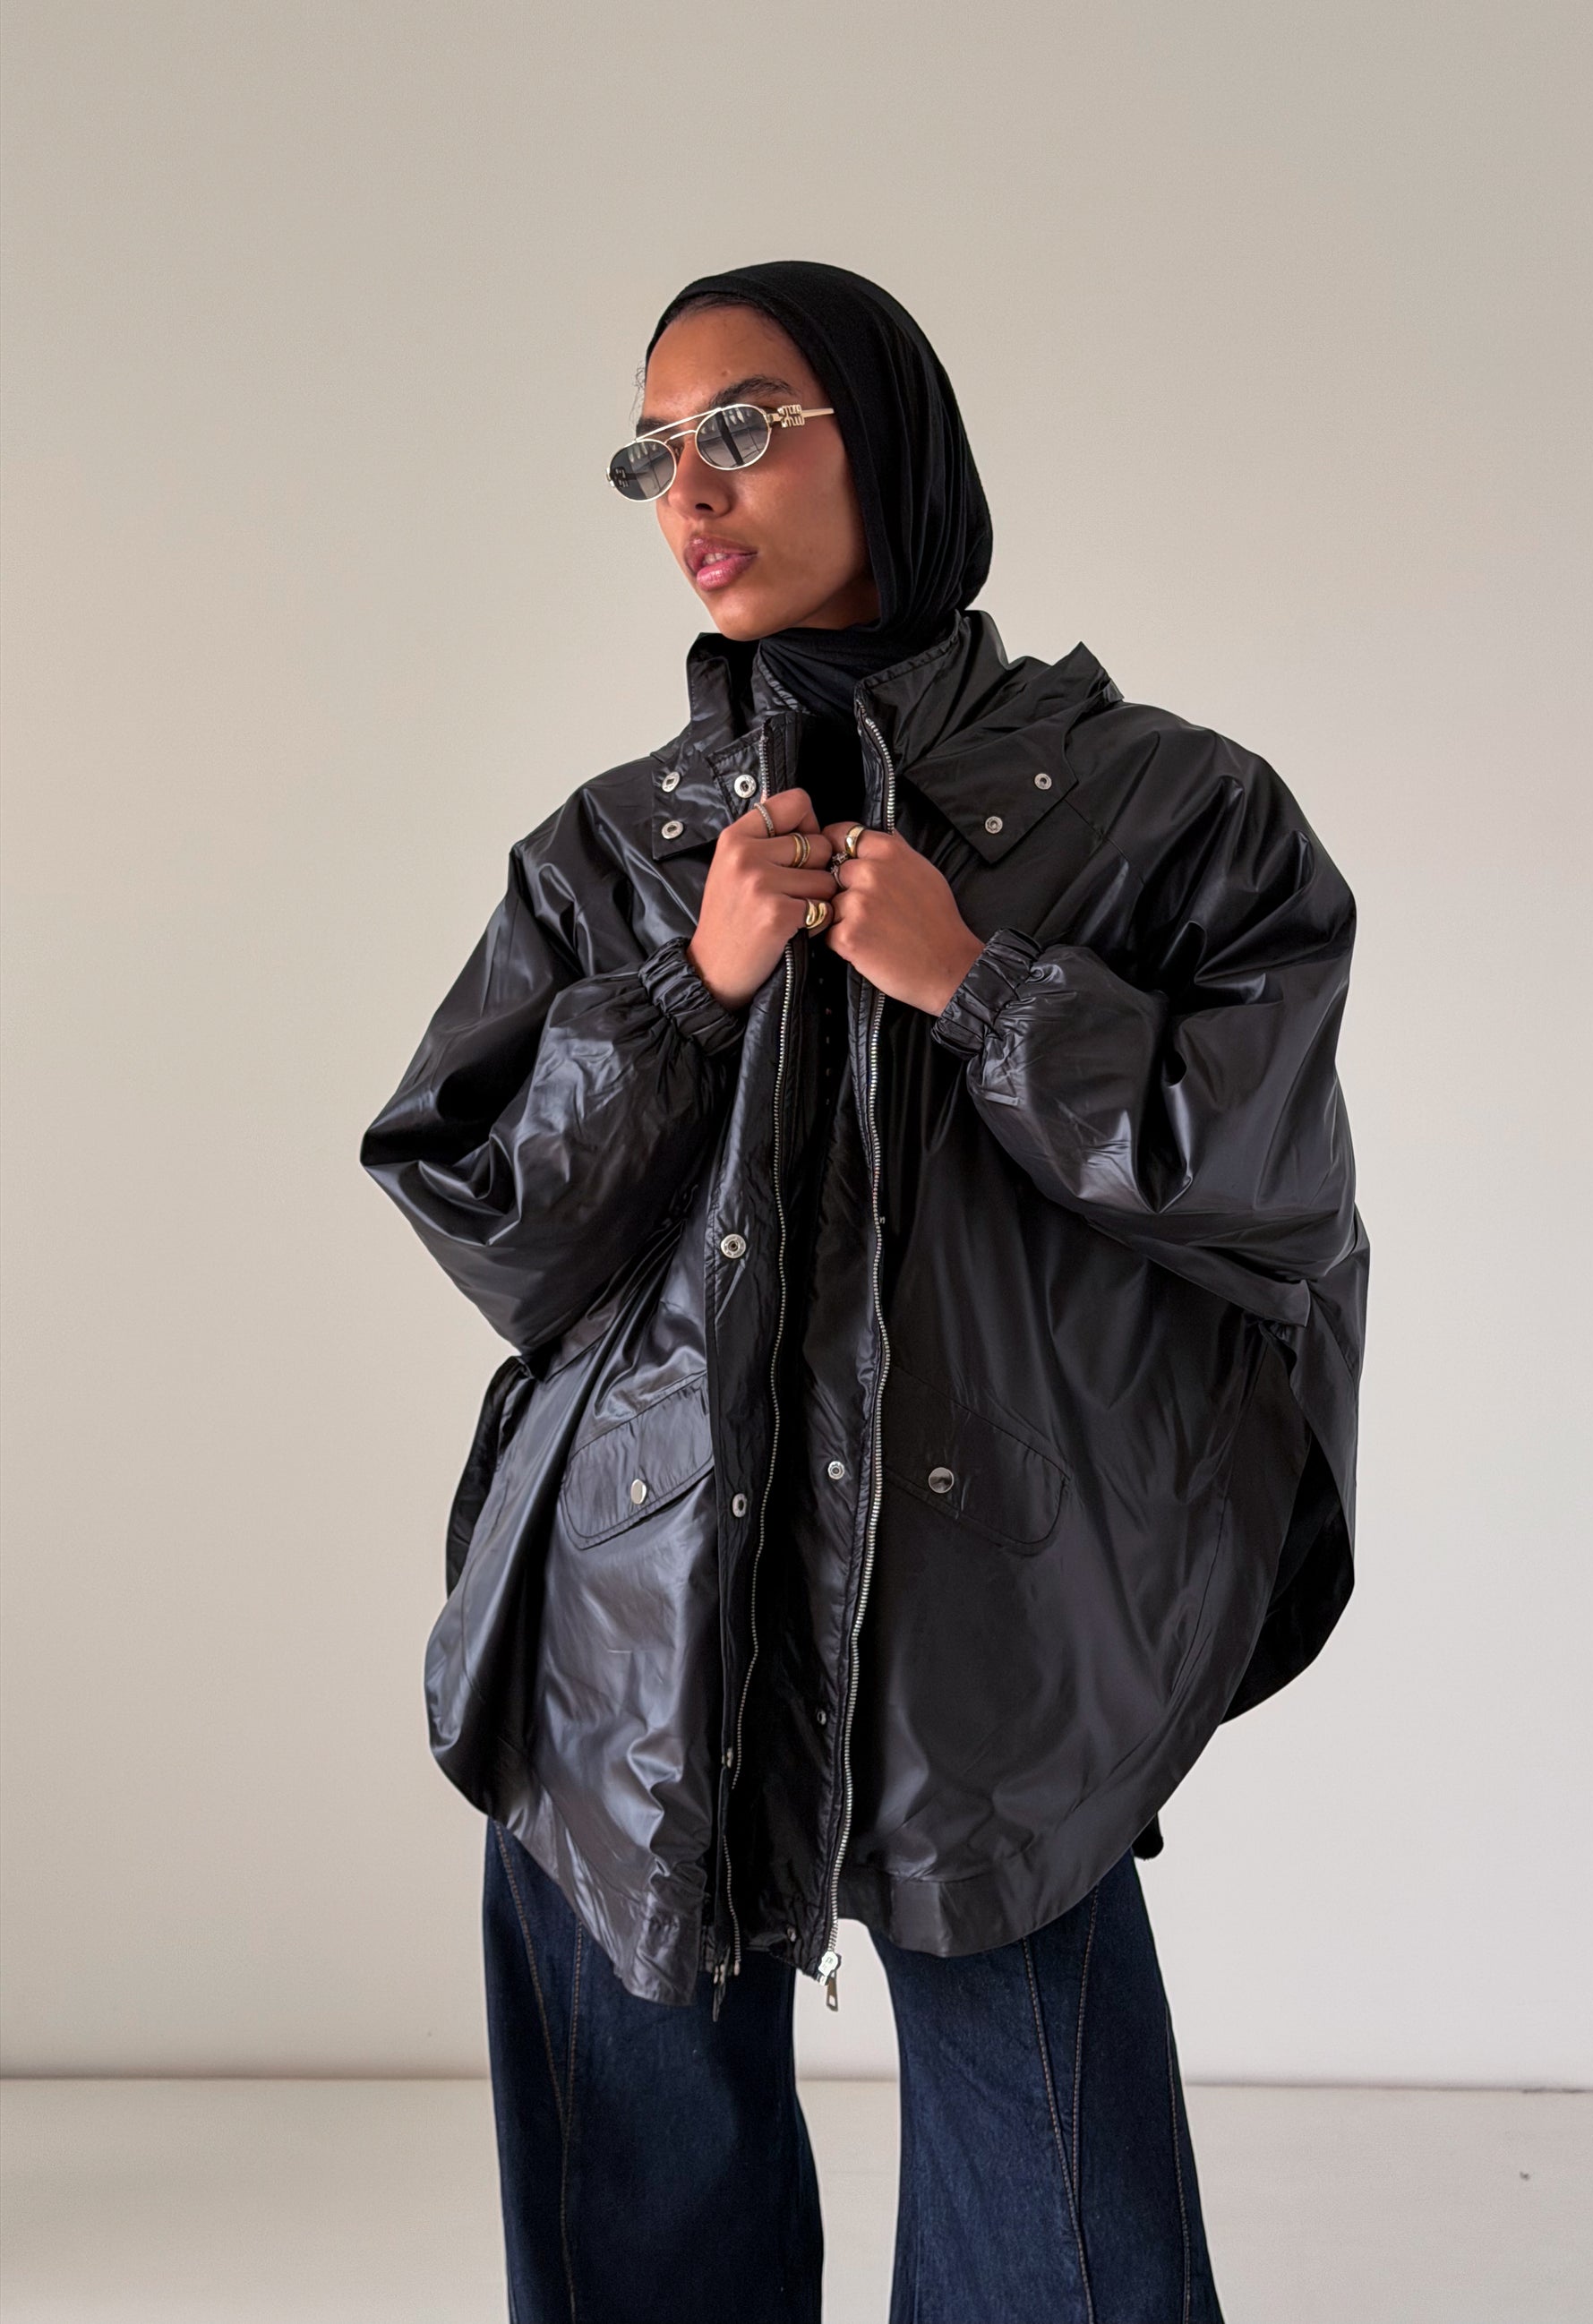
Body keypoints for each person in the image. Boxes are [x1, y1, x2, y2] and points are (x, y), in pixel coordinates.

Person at [360, 260, 1366, 2324]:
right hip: (632, 1603)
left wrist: (980, 986)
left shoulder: (1164, 812)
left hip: (996, 1588)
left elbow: (1257, 1170)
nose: (689, 489)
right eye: (653, 450)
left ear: (887, 440)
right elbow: (489, 1213)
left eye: (741, 424)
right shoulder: (616, 852)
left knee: (1058, 2210)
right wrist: (683, 991)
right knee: (637, 2199)